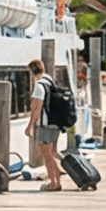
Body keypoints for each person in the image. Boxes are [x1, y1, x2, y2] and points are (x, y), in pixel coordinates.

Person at [29, 62, 66, 191]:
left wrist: (29, 126)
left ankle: (54, 183)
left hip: (45, 125)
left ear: (32, 71)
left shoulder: (39, 86)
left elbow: (36, 109)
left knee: (46, 155)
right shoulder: (50, 80)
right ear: (43, 68)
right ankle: (57, 181)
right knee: (51, 153)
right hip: (56, 123)